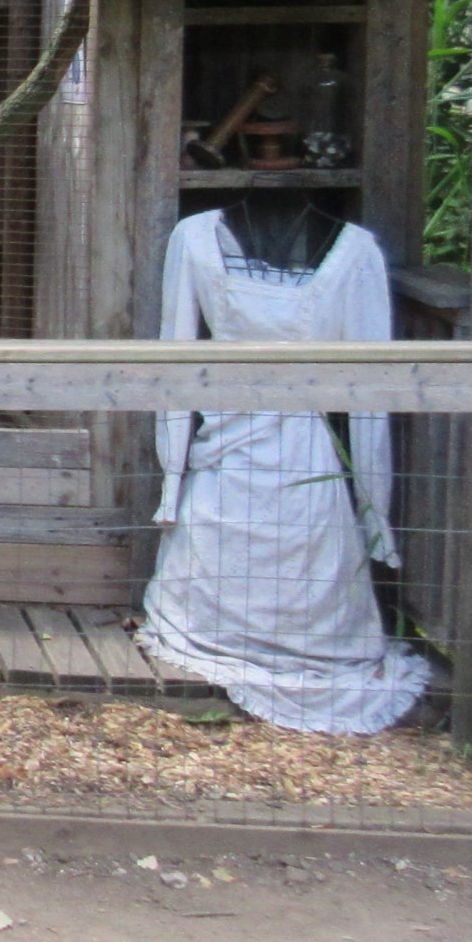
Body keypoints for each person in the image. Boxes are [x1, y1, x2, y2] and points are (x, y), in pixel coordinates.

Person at [137, 193, 433, 732]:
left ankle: (299, 643)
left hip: (303, 446)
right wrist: (172, 482)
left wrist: (374, 512)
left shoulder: (356, 254)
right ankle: (218, 631)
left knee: (305, 538)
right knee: (227, 527)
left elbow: (372, 393)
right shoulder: (197, 239)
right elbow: (172, 361)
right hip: (229, 439)